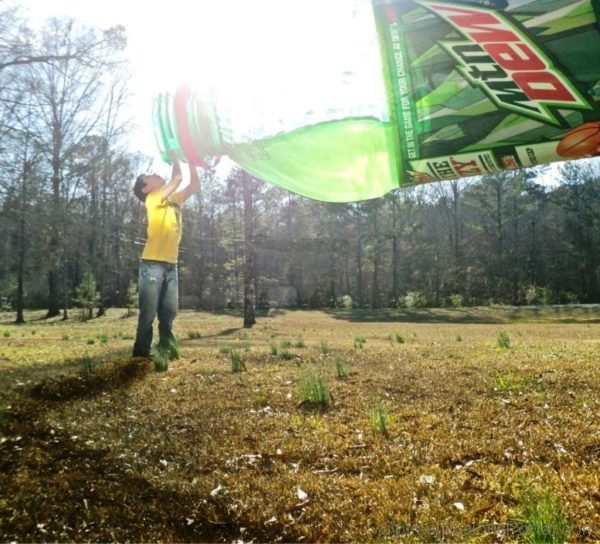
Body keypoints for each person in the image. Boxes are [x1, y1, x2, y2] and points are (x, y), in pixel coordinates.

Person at [131, 149, 200, 360]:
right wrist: (177, 156)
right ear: (146, 187)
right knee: (149, 313)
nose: (154, 174)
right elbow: (177, 178)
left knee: (169, 312)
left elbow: (193, 186)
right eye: (149, 176)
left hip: (171, 264)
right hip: (152, 263)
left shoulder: (174, 199)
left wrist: (192, 161)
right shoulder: (151, 198)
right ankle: (141, 353)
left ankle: (166, 348)